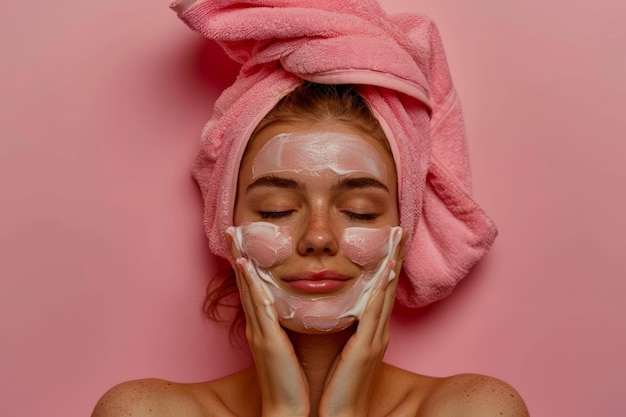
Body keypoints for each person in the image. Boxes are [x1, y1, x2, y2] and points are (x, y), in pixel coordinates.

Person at [92, 1, 529, 416]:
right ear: (226, 225)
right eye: (278, 209)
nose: (318, 237)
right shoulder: (145, 411)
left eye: (359, 210)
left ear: (404, 226)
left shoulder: (473, 409)